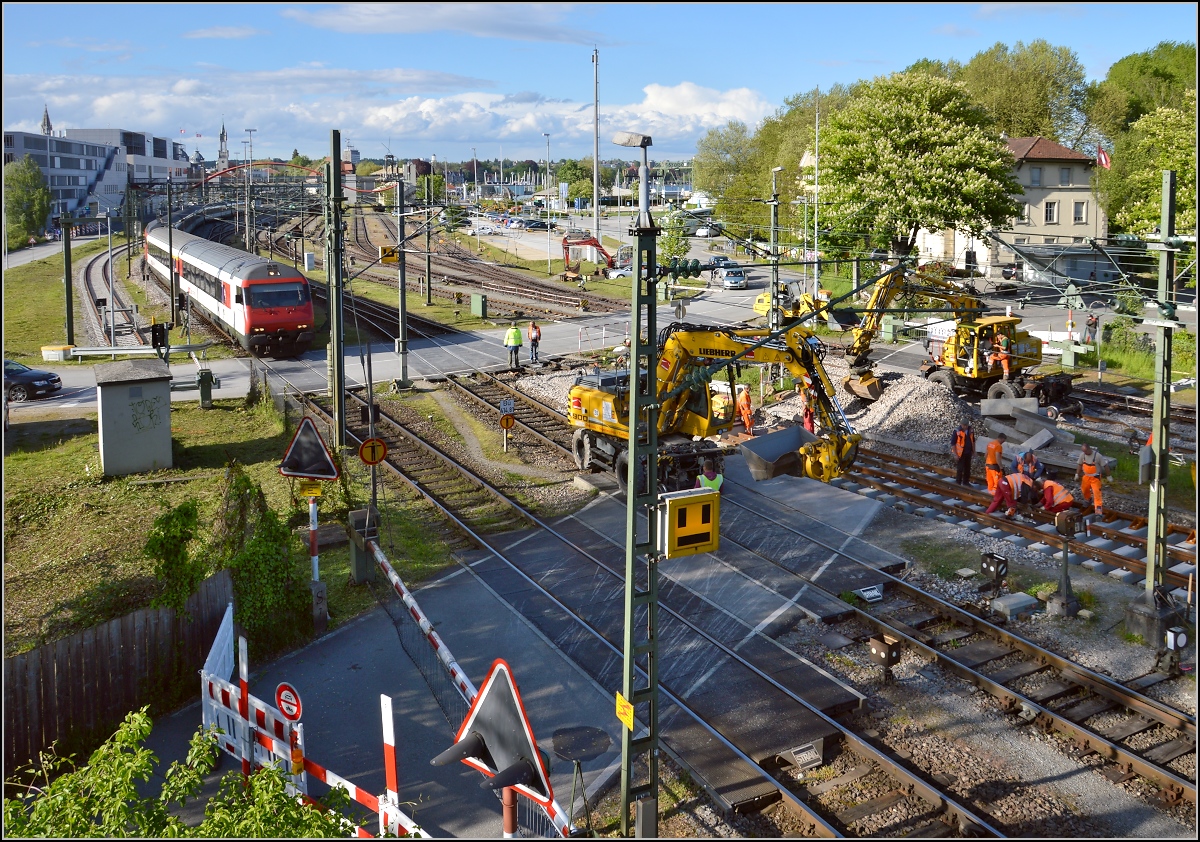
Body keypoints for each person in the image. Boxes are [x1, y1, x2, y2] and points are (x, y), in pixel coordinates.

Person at [1076, 443, 1107, 517]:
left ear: (1089, 449)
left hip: (1095, 478)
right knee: (1084, 489)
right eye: (1083, 451)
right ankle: (1088, 499)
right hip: (1086, 476)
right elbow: (1079, 465)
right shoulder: (1082, 455)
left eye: (1085, 451)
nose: (1085, 453)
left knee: (1097, 494)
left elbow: (1105, 466)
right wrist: (1077, 474)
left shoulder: (1097, 456)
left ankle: (1098, 511)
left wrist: (1109, 476)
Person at [951, 420, 976, 485]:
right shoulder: (957, 431)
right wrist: (955, 454)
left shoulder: (971, 430)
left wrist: (974, 451)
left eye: (966, 425)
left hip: (968, 452)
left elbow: (973, 441)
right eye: (964, 425)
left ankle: (966, 482)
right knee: (960, 468)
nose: (965, 427)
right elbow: (953, 443)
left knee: (967, 468)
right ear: (961, 425)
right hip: (960, 453)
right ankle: (958, 482)